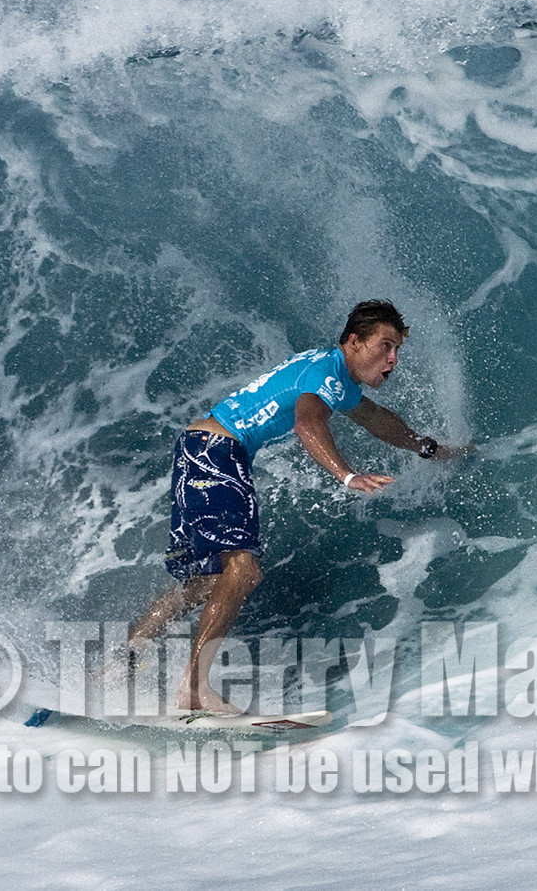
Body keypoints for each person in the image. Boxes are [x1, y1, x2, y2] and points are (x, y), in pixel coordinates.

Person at [130, 299, 469, 713]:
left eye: (397, 349)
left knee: (211, 581)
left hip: (200, 448)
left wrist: (427, 447)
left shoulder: (335, 377)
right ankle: (195, 689)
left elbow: (376, 418)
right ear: (354, 342)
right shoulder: (324, 375)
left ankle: (122, 662)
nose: (393, 359)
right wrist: (347, 475)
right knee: (243, 568)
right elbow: (308, 423)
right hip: (217, 451)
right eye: (385, 346)